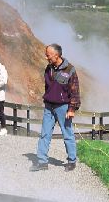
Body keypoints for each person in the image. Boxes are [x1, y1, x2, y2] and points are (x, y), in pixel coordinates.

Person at [30, 43, 80, 172]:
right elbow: (47, 87)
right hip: (49, 106)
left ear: (56, 55)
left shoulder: (70, 70)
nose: (46, 57)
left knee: (67, 134)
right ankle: (42, 162)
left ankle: (71, 161)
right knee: (45, 133)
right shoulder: (48, 68)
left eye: (48, 55)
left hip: (63, 107)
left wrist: (71, 109)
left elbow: (75, 92)